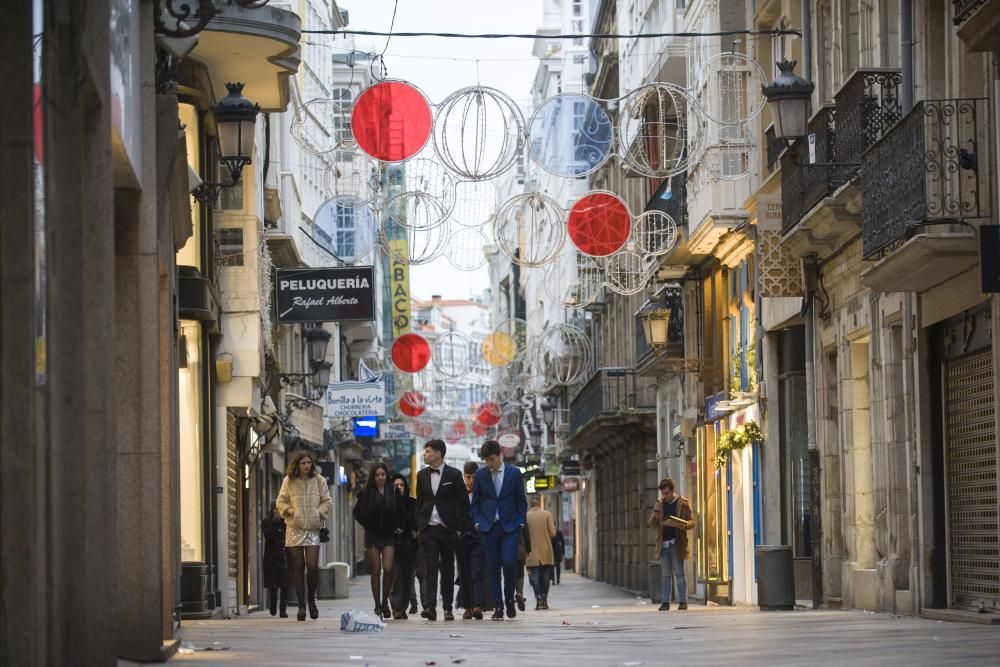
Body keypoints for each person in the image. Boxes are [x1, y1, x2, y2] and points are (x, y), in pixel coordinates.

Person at [471, 439, 528, 621]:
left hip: (510, 527)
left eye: (492, 459)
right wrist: (478, 522)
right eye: (486, 460)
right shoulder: (480, 475)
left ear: (500, 455)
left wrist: (519, 522)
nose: (490, 463)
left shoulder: (514, 473)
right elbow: (476, 503)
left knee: (510, 562)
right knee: (493, 568)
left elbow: (521, 501)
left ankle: (509, 599)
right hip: (489, 528)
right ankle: (498, 606)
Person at [414, 439, 470, 621]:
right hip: (428, 528)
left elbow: (463, 503)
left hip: (448, 529)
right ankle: (430, 607)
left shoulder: (454, 475)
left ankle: (447, 608)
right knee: (430, 568)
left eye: (428, 451)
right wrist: (418, 525)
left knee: (447, 568)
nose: (425, 454)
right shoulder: (421, 475)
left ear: (438, 453)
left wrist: (460, 528)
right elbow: (420, 502)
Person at [276, 450, 332, 621]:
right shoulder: (289, 481)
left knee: (312, 565)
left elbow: (327, 500)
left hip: (313, 529)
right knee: (298, 567)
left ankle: (311, 600)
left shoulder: (319, 480)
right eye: (303, 463)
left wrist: (318, 513)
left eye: (309, 463)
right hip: (295, 528)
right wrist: (291, 511)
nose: (307, 466)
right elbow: (281, 501)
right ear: (297, 465)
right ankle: (301, 605)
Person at [353, 462, 402, 619]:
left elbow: (401, 511)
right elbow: (357, 513)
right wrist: (367, 524)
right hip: (372, 535)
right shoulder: (366, 493)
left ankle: (385, 601)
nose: (380, 477)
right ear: (373, 477)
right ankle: (377, 605)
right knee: (375, 570)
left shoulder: (393, 491)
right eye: (377, 475)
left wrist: (397, 526)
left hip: (388, 535)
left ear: (386, 476)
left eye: (383, 474)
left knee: (388, 569)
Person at [648, 477, 696, 611]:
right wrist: (655, 517)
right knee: (665, 575)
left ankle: (682, 601)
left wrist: (684, 525)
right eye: (663, 494)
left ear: (672, 491)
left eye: (667, 493)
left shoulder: (683, 503)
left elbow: (692, 521)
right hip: (663, 545)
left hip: (677, 543)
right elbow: (652, 524)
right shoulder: (659, 504)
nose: (665, 496)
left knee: (679, 573)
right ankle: (665, 602)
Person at [456, 461, 486, 620]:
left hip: (478, 538)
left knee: (476, 571)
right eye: (468, 477)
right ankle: (467, 606)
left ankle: (478, 606)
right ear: (464, 477)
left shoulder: (483, 494)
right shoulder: (458, 494)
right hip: (461, 538)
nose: (471, 481)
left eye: (474, 477)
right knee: (464, 573)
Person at [389, 473, 419, 620]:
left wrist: (415, 532)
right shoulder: (388, 503)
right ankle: (395, 607)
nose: (399, 488)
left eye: (401, 485)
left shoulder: (412, 503)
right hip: (391, 545)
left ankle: (403, 607)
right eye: (396, 486)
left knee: (407, 577)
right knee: (395, 576)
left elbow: (416, 522)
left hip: (409, 546)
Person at [525, 495, 557, 610]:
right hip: (546, 550)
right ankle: (544, 599)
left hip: (531, 552)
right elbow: (553, 533)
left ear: (530, 505)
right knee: (545, 577)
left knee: (534, 576)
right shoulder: (547, 514)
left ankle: (538, 598)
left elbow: (523, 534)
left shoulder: (526, 516)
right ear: (539, 504)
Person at [261, 501, 289, 617]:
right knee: (273, 586)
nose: (277, 512)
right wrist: (274, 523)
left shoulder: (286, 523)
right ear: (272, 511)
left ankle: (283, 610)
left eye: (279, 510)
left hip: (284, 558)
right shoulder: (266, 522)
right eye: (275, 510)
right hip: (271, 559)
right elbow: (267, 535)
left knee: (285, 585)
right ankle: (273, 606)